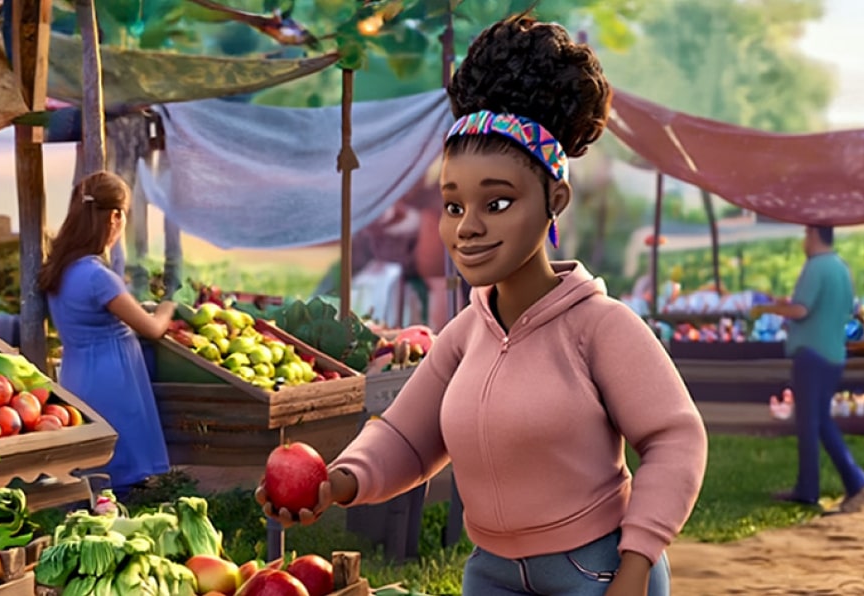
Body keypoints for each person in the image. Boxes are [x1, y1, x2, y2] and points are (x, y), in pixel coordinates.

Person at [258, 17, 706, 596]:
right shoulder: (465, 335)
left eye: (497, 202)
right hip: (490, 573)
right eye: (452, 205)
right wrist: (339, 482)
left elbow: (676, 439)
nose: (468, 228)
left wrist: (637, 563)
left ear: (555, 200)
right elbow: (407, 437)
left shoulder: (601, 327)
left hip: (594, 571)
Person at [40, 171, 179, 489]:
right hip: (113, 381)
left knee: (93, 473)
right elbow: (153, 329)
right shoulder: (97, 277)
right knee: (121, 475)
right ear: (115, 216)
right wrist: (169, 306)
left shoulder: (60, 269)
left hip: (76, 376)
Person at [751, 225, 864, 506]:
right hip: (834, 353)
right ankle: (854, 479)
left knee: (808, 424)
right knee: (821, 421)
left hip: (811, 355)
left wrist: (768, 309)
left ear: (814, 234)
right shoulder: (841, 267)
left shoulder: (816, 267)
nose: (804, 241)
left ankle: (808, 488)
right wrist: (786, 304)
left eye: (806, 235)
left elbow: (801, 310)